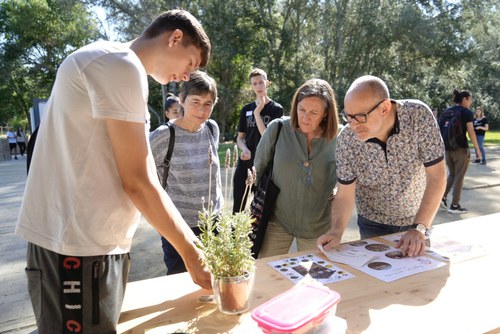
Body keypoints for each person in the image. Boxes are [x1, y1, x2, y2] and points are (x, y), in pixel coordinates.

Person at [15, 9, 212, 333]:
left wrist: (194, 245)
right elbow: (137, 180)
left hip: (91, 247)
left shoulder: (112, 63)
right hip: (75, 249)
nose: (184, 76)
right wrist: (190, 253)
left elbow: (140, 173)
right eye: (189, 63)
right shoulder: (120, 65)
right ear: (174, 37)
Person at [317, 75, 446, 257]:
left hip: (417, 219)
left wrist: (419, 228)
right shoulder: (346, 140)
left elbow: (437, 177)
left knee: (416, 279)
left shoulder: (418, 116)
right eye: (348, 116)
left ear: (384, 108)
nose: (353, 126)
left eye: (360, 117)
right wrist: (336, 232)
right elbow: (345, 194)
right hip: (373, 222)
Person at [254, 78, 339, 258]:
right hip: (277, 221)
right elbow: (258, 169)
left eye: (314, 112)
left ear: (326, 114)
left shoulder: (340, 137)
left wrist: (338, 188)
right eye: (301, 110)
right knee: (266, 275)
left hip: (318, 225)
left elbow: (348, 177)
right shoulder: (277, 128)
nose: (305, 117)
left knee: (314, 279)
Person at [150, 70, 222, 275]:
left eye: (208, 103)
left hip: (213, 223)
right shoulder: (163, 136)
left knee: (213, 279)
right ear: (182, 100)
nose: (202, 110)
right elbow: (140, 173)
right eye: (195, 102)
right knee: (181, 283)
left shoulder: (211, 129)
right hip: (179, 227)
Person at [233, 68, 283, 213]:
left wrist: (257, 113)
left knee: (259, 210)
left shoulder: (276, 109)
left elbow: (267, 137)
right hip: (245, 164)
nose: (258, 86)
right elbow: (240, 138)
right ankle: (237, 236)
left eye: (261, 82)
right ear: (252, 86)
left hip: (264, 165)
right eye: (254, 83)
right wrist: (244, 149)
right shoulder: (246, 109)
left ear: (267, 83)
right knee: (238, 208)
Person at [441, 89, 481, 214]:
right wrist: (478, 150)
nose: (471, 102)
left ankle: (442, 197)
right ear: (464, 100)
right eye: (470, 100)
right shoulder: (466, 112)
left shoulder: (447, 111)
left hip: (447, 149)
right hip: (460, 149)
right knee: (459, 176)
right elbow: (471, 132)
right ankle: (455, 205)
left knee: (452, 174)